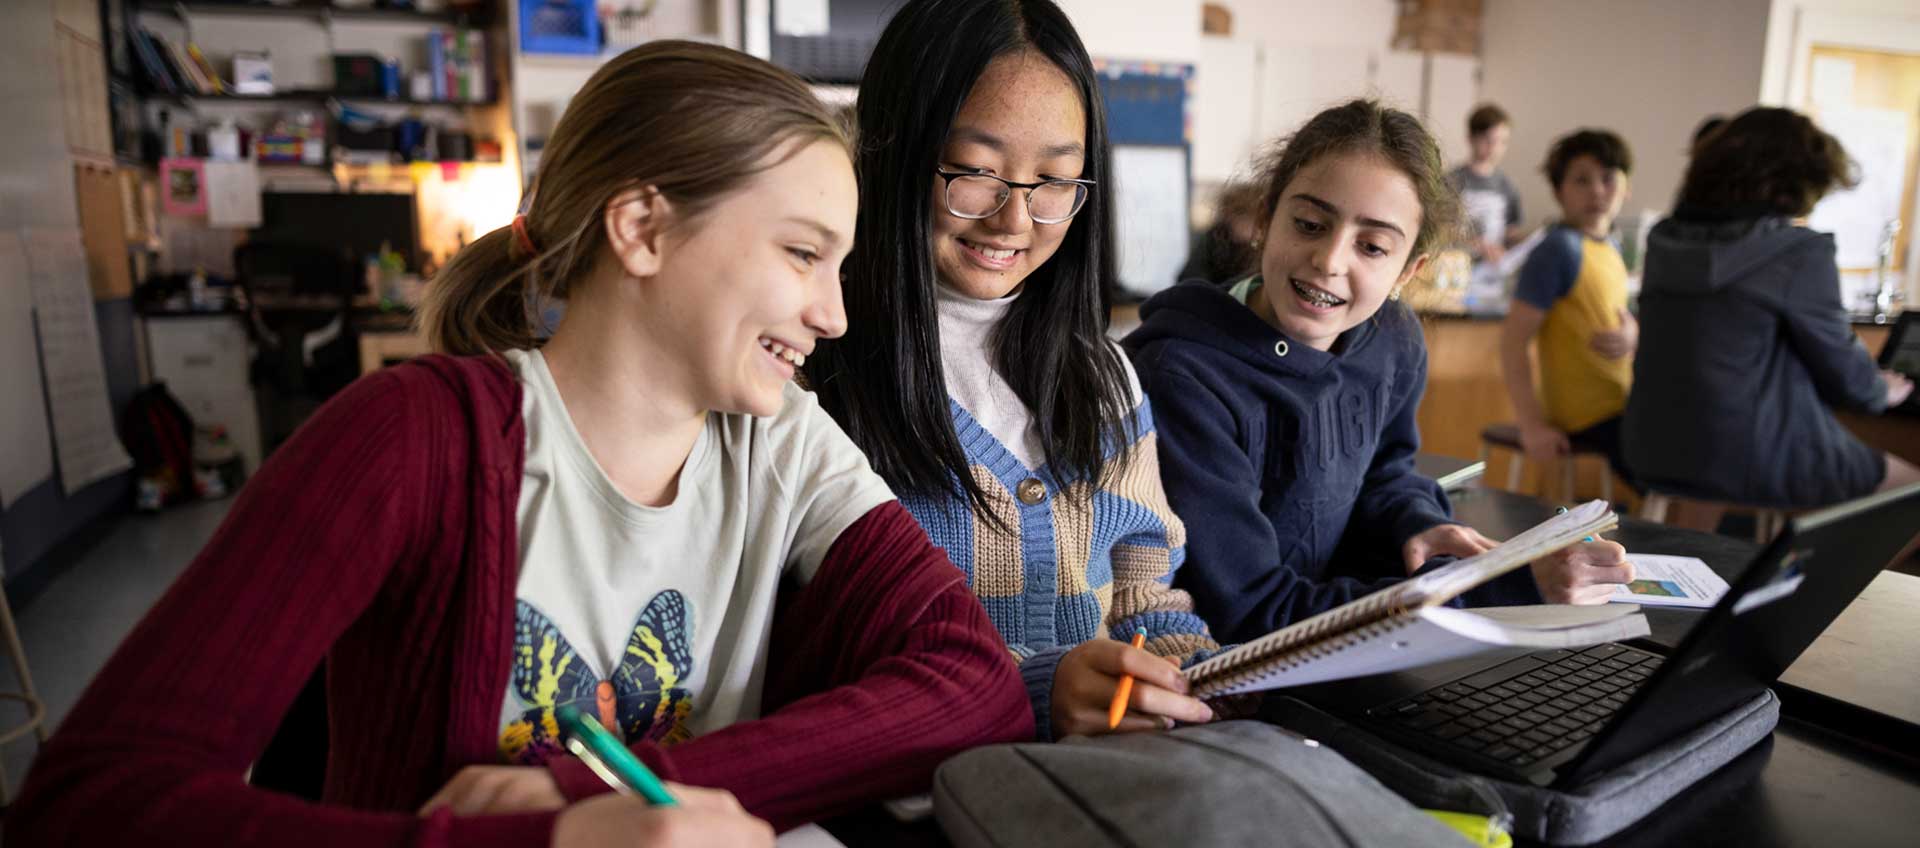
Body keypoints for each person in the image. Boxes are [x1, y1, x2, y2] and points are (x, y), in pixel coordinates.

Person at [7, 41, 1032, 846]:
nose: (833, 315)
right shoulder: (411, 436)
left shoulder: (783, 441)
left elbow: (973, 684)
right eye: (804, 253)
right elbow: (87, 804)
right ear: (641, 227)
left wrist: (591, 791)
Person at [803, 0, 1219, 741]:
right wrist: (1033, 692)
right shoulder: (814, 365)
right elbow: (817, 655)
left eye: (1055, 181)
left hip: (1099, 774)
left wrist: (1196, 681)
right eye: (975, 172)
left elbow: (1143, 595)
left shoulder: (1104, 376)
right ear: (893, 152)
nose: (1014, 221)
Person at [1124, 100, 1634, 644]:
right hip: (1214, 666)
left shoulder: (1392, 338)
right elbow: (1251, 613)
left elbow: (1384, 475)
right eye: (1309, 224)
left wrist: (1417, 524)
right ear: (1267, 217)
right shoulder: (1184, 373)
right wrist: (1493, 589)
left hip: (1348, 642)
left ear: (1409, 269)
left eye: (1372, 246)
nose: (1330, 259)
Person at [1623, 106, 1919, 518]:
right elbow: (1845, 375)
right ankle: (1813, 583)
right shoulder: (1800, 252)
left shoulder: (1664, 239)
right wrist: (1879, 389)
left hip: (1655, 447)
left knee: (1707, 484)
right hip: (1754, 454)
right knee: (1910, 490)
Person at [1499, 128, 1639, 485]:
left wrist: (1632, 333)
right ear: (1559, 192)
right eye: (1581, 180)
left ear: (1627, 187)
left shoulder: (1612, 248)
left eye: (1608, 178)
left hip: (1619, 405)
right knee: (1687, 469)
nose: (1596, 190)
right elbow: (1513, 342)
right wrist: (1532, 425)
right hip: (1587, 416)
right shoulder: (1558, 250)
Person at [1447, 104, 1526, 265]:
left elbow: (1512, 230)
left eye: (1502, 142)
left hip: (1492, 270)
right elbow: (1440, 228)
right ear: (1471, 138)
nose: (1495, 148)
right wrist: (1475, 244)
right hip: (1456, 266)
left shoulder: (1508, 186)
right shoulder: (1451, 181)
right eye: (1489, 140)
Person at [1177, 179, 1267, 285]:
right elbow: (1188, 278)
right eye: (1236, 216)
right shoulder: (1215, 238)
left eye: (1245, 217)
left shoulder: (1265, 246)